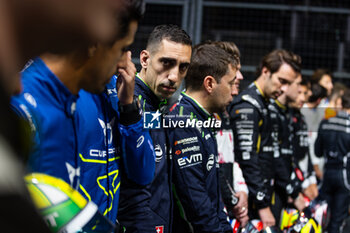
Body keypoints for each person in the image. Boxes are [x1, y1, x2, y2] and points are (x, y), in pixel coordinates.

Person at [11, 0, 155, 227]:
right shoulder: (23, 105)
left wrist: (129, 107)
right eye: (121, 50)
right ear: (94, 40)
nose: (125, 63)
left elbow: (144, 173)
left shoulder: (104, 92)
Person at [117, 24, 192, 233]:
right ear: (144, 59)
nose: (174, 77)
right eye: (166, 63)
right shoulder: (125, 101)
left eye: (183, 67)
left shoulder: (159, 104)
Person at [169, 43, 239, 233]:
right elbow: (194, 200)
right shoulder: (183, 122)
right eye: (231, 83)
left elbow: (213, 198)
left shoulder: (203, 118)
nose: (235, 91)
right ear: (209, 84)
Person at [228, 49, 301, 229]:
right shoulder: (248, 105)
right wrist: (262, 205)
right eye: (281, 81)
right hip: (249, 201)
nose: (284, 89)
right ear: (266, 71)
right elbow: (247, 158)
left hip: (266, 193)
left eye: (288, 84)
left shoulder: (264, 103)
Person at [208, 41, 249, 227]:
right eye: (235, 69)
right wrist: (232, 200)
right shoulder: (197, 113)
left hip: (228, 203)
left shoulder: (224, 111)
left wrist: (241, 189)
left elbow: (229, 158)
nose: (240, 75)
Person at [269, 74, 306, 224]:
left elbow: (291, 156)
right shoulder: (271, 110)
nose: (300, 92)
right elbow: (274, 157)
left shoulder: (289, 113)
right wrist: (294, 191)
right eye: (298, 86)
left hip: (285, 186)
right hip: (271, 189)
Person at [314, 89, 350, 233]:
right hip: (345, 177)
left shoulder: (325, 122)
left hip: (326, 175)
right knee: (337, 220)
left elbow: (317, 151)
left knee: (322, 216)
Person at [288, 77, 318, 201]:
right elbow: (288, 156)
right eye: (299, 93)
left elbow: (306, 152)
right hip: (293, 181)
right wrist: (303, 183)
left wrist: (311, 178)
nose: (303, 98)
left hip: (303, 176)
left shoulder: (301, 117)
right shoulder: (287, 118)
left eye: (305, 93)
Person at [301, 84, 328, 182]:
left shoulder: (314, 113)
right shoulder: (303, 113)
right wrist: (316, 167)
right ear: (319, 100)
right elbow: (310, 141)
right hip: (304, 165)